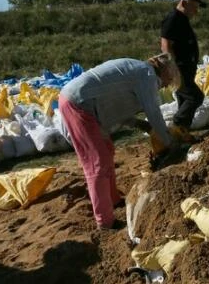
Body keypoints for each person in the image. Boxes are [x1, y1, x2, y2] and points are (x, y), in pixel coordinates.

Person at [59, 54, 179, 230]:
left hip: (84, 103)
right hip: (78, 104)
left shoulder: (139, 71)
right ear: (166, 71)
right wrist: (169, 143)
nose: (168, 84)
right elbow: (153, 113)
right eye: (171, 78)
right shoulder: (147, 75)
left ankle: (113, 199)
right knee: (97, 163)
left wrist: (139, 124)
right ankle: (105, 222)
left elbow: (118, 103)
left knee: (107, 150)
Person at [160, 0, 206, 138]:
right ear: (184, 3)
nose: (196, 11)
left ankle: (183, 132)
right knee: (195, 97)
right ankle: (177, 127)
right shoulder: (173, 18)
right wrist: (172, 67)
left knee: (184, 98)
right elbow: (165, 44)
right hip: (179, 68)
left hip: (187, 67)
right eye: (195, 6)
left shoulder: (182, 19)